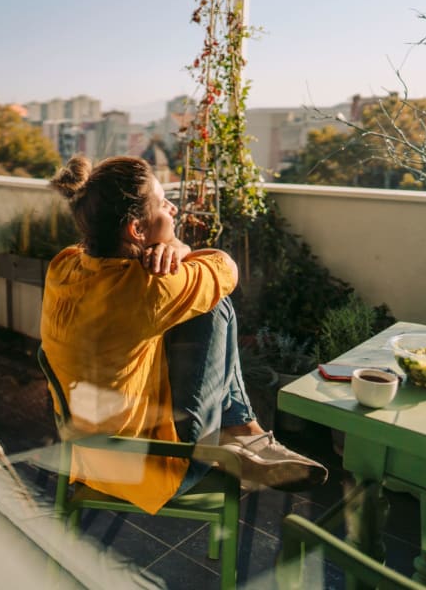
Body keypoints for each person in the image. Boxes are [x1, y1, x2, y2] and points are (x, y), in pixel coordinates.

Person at [41, 155, 327, 515]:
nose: (173, 209)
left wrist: (171, 249)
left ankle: (243, 432)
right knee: (214, 306)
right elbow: (226, 269)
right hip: (148, 468)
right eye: (163, 203)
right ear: (136, 230)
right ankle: (241, 432)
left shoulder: (64, 265)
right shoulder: (150, 289)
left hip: (85, 456)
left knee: (191, 308)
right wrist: (178, 250)